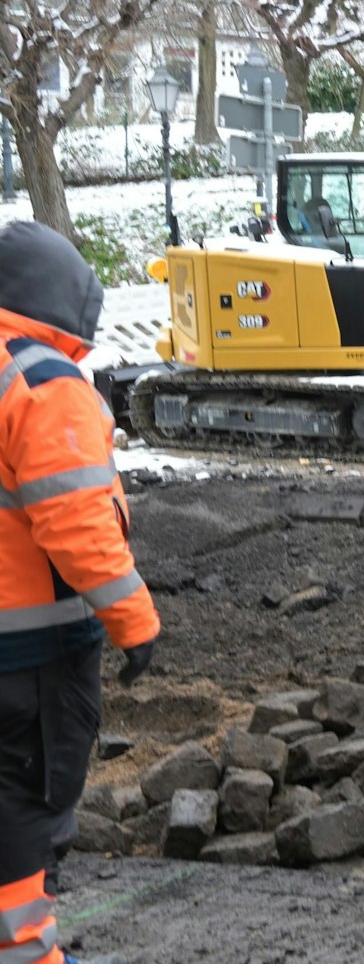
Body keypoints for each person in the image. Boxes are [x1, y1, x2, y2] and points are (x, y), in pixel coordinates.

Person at [0, 222, 160, 964]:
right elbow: (75, 517)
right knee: (26, 820)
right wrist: (135, 622)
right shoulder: (41, 381)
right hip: (30, 660)